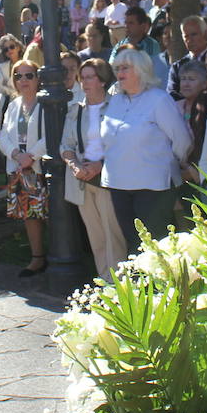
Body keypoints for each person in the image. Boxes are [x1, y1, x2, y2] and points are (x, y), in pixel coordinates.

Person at [101, 47, 192, 245]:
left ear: (141, 70)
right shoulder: (115, 100)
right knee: (133, 245)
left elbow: (181, 139)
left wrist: (173, 163)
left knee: (155, 244)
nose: (119, 73)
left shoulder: (159, 99)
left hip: (153, 186)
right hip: (118, 184)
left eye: (125, 68)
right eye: (117, 68)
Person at [61, 58, 127, 279]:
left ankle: (121, 285)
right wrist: (75, 166)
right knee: (96, 236)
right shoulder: (76, 110)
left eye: (90, 77)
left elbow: (124, 144)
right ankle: (105, 283)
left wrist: (101, 165)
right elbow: (66, 146)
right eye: (82, 78)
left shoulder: (117, 106)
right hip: (82, 179)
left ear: (102, 80)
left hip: (109, 178)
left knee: (113, 235)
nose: (85, 82)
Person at [0, 59, 50, 276]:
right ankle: (37, 258)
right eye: (18, 76)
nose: (23, 80)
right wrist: (16, 155)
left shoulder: (46, 104)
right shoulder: (13, 105)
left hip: (40, 167)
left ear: (38, 79)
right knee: (30, 215)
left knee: (49, 213)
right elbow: (3, 135)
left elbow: (51, 135)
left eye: (29, 75)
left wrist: (31, 156)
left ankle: (56, 254)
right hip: (19, 168)